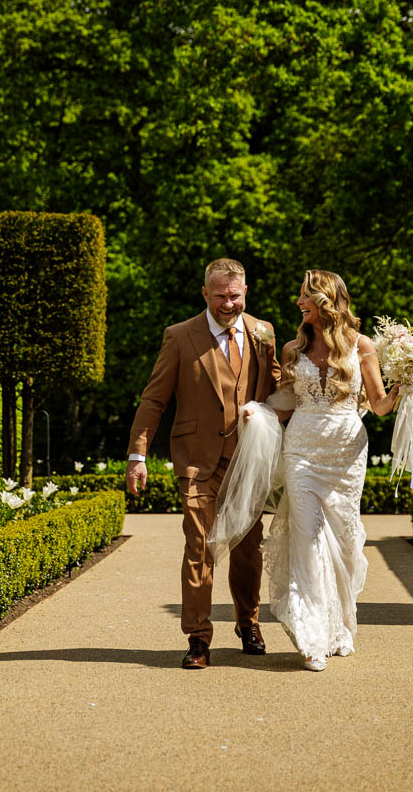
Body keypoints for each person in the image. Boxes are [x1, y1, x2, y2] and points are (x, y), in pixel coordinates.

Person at [126, 258, 282, 669]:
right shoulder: (179, 336)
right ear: (204, 293)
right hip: (196, 461)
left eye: (234, 296)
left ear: (245, 292)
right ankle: (197, 637)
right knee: (199, 547)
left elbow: (280, 389)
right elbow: (154, 399)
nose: (228, 304)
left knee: (248, 549)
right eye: (219, 296)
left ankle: (248, 622)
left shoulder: (264, 332)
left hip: (248, 460)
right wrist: (138, 456)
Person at [256, 269, 411, 672]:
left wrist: (405, 384)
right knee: (306, 540)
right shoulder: (293, 349)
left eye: (305, 295)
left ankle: (338, 627)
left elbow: (378, 405)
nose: (298, 302)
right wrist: (256, 414)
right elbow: (286, 404)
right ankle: (311, 639)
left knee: (343, 541)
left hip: (346, 455)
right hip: (302, 452)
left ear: (326, 300)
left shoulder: (362, 345)